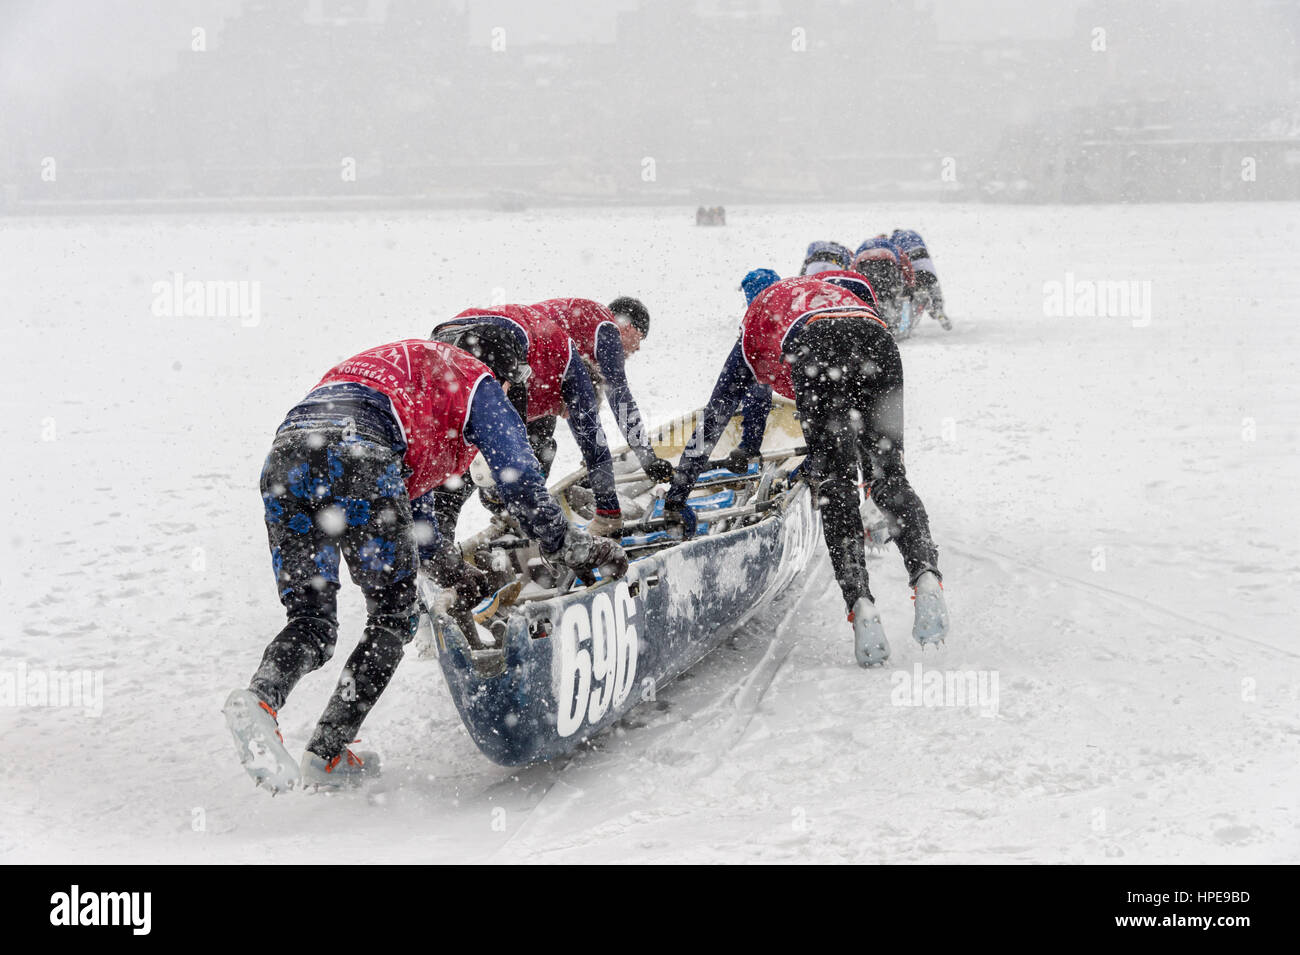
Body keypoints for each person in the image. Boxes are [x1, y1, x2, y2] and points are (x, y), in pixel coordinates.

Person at [224, 333, 628, 792]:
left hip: (286, 457)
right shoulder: (478, 382)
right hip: (360, 455)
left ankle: (261, 699)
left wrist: (452, 570)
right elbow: (518, 479)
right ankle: (327, 752)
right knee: (393, 617)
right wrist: (569, 546)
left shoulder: (412, 374)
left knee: (311, 620)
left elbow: (416, 515)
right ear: (504, 375)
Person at [663, 271, 948, 666]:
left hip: (817, 347)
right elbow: (861, 298)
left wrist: (677, 495)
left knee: (835, 485)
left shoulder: (753, 332)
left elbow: (714, 419)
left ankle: (861, 604)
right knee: (889, 476)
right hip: (877, 340)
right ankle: (926, 575)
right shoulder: (824, 288)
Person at [428, 304, 624, 539]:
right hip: (493, 340)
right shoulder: (572, 371)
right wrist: (609, 514)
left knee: (455, 450)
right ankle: (536, 524)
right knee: (526, 451)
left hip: (440, 344)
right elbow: (594, 443)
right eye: (567, 412)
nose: (564, 417)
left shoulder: (542, 379)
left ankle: (437, 539)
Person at [529, 296, 675, 484]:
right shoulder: (607, 327)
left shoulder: (585, 327)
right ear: (628, 327)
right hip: (532, 355)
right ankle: (523, 491)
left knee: (534, 441)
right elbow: (620, 399)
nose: (638, 348)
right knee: (540, 443)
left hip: (515, 346)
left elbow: (575, 406)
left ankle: (508, 491)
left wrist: (593, 456)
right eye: (640, 338)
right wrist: (648, 459)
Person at [890, 229, 952, 329]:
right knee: (934, 289)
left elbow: (895, 256)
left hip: (912, 268)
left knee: (908, 296)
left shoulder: (894, 239)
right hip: (927, 266)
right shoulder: (914, 234)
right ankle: (938, 309)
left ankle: (906, 322)